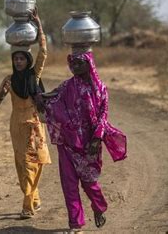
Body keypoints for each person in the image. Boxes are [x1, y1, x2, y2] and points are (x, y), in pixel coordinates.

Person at [42, 51, 127, 231]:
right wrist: (40, 98)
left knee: (90, 183)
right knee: (69, 184)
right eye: (72, 63)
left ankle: (99, 207)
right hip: (67, 142)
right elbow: (52, 98)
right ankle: (75, 224)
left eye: (79, 63)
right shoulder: (67, 86)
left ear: (89, 64)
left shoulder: (100, 89)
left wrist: (97, 138)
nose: (75, 67)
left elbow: (103, 116)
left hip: (89, 143)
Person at [0, 8, 51, 219]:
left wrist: (39, 25)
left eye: (22, 59)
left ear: (27, 60)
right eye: (15, 59)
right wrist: (2, 94)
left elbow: (43, 53)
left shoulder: (34, 75)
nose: (18, 62)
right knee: (21, 165)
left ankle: (27, 205)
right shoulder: (8, 79)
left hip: (34, 125)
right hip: (16, 126)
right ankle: (34, 198)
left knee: (33, 163)